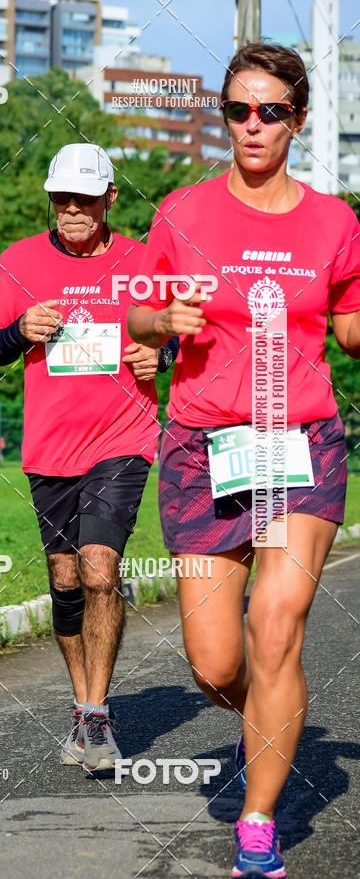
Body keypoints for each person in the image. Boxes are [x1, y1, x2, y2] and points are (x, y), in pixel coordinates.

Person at [127, 43, 360, 878]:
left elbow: (349, 328)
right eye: (237, 110)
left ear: (298, 119)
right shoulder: (183, 211)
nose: (252, 125)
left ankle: (258, 826)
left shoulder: (335, 222)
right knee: (217, 661)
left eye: (270, 111)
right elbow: (137, 317)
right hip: (203, 449)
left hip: (302, 443)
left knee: (277, 624)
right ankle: (263, 717)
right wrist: (164, 322)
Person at [0, 143, 175, 771]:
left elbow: (177, 331)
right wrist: (20, 331)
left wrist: (162, 354)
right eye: (61, 198)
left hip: (122, 439)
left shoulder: (142, 262)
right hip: (50, 447)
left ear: (109, 198)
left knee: (98, 570)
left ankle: (96, 716)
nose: (71, 209)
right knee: (65, 582)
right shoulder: (17, 261)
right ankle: (82, 705)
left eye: (84, 199)